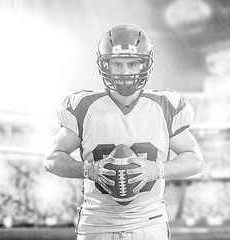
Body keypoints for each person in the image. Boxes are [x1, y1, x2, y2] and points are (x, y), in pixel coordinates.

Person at [44, 24, 204, 240]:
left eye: (132, 63)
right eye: (117, 64)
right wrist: (87, 169)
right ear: (104, 65)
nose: (125, 71)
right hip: (97, 223)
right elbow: (52, 159)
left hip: (149, 223)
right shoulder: (83, 106)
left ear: (145, 65)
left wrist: (158, 170)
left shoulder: (166, 106)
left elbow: (195, 160)